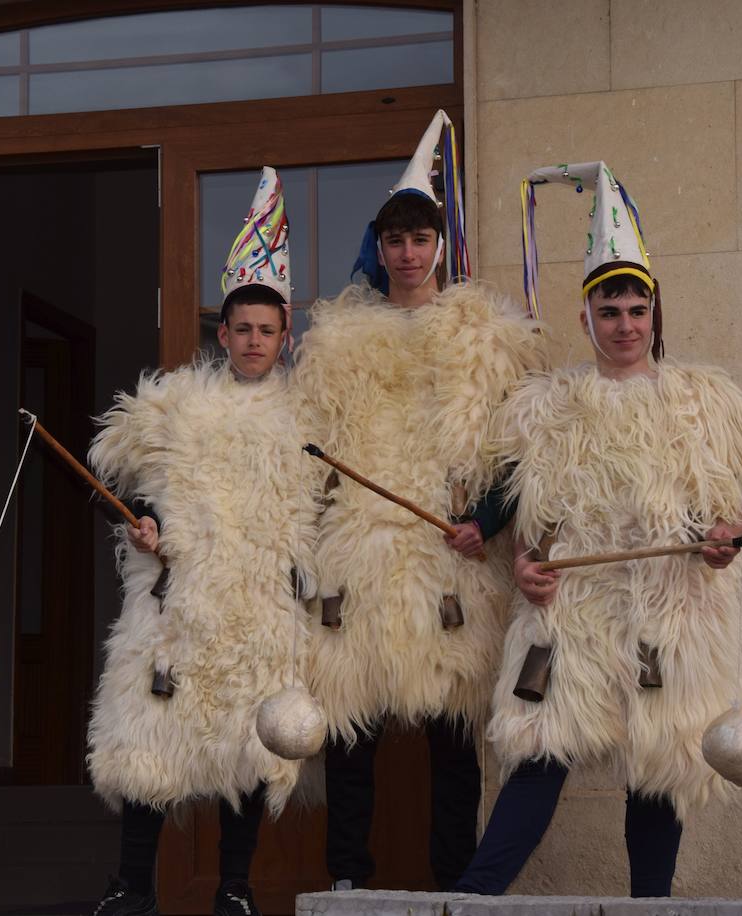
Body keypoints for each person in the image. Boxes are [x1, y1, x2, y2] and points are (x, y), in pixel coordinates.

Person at [451, 162, 742, 898]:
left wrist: (722, 543)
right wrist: (524, 566)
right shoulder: (545, 407)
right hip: (570, 613)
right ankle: (470, 902)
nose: (625, 326)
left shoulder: (703, 404)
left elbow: (722, 514)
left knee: (660, 768)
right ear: (586, 320)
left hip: (670, 611)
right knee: (539, 758)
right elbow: (516, 508)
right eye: (610, 313)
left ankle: (651, 911)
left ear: (654, 315)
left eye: (637, 311)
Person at [292, 111, 545, 892]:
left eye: (420, 239)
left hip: (451, 558)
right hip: (361, 553)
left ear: (440, 245)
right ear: (382, 246)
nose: (408, 253)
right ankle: (346, 882)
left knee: (449, 733)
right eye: (395, 240)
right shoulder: (337, 342)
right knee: (351, 725)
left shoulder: (488, 336)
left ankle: (453, 884)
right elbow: (309, 448)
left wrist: (486, 523)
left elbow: (518, 446)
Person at [86, 168, 317, 916]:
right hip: (176, 605)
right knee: (151, 738)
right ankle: (129, 888)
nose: (254, 342)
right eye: (242, 329)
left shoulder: (309, 418)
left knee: (249, 744)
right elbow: (114, 482)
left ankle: (235, 889)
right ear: (223, 335)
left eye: (267, 331)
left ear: (286, 338)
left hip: (259, 608)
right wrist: (139, 520)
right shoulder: (176, 405)